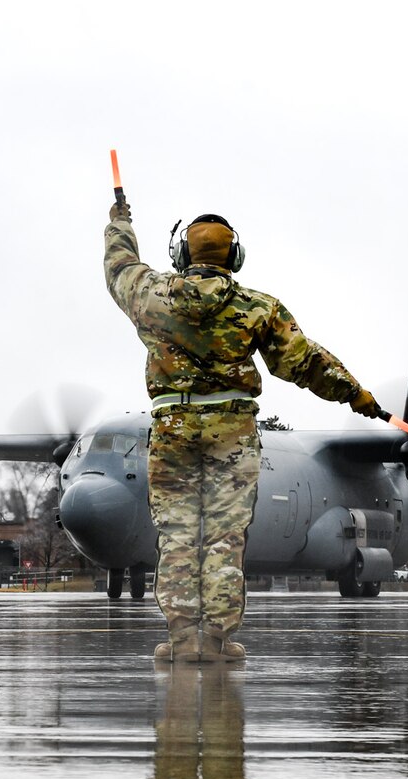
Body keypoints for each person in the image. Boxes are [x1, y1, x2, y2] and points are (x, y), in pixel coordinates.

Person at [105, 198, 390, 663]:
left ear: (181, 256)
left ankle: (181, 641)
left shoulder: (150, 295)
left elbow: (120, 267)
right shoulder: (257, 307)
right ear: (234, 258)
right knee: (223, 536)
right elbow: (305, 361)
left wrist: (121, 222)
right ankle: (215, 641)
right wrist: (355, 394)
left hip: (173, 431)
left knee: (177, 535)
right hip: (232, 435)